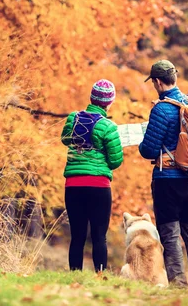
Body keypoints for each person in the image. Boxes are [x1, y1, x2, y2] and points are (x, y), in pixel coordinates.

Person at [138, 60, 188, 287]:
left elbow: (148, 149)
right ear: (175, 78)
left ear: (157, 82)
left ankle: (179, 287)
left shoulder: (161, 109)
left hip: (166, 180)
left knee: (170, 234)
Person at [61, 79, 123, 272]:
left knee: (77, 236)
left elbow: (64, 139)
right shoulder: (108, 126)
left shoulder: (73, 118)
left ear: (91, 98)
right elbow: (115, 162)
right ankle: (100, 276)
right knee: (99, 236)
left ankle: (74, 277)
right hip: (98, 186)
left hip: (73, 185)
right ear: (109, 103)